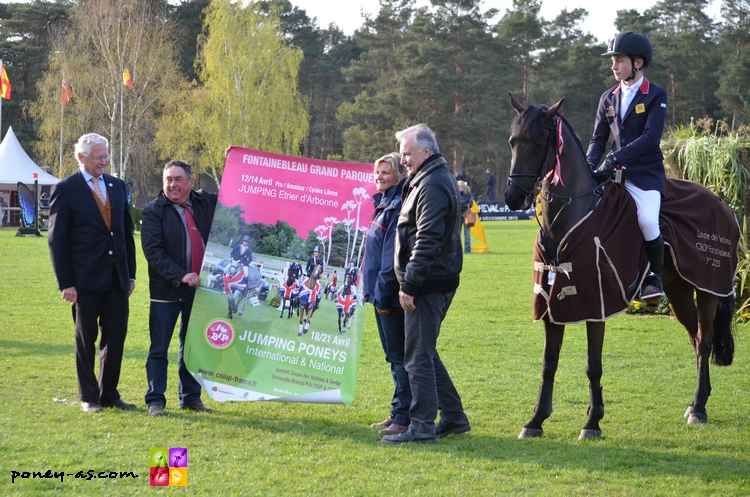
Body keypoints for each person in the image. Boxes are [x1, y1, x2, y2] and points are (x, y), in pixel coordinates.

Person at [382, 124, 470, 444]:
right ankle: (454, 417)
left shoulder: (431, 183)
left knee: (417, 356)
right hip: (433, 280)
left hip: (428, 283)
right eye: (402, 153)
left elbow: (428, 238)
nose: (402, 159)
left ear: (426, 152)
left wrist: (411, 284)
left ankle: (421, 425)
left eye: (406, 153)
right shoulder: (426, 177)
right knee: (425, 352)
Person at [48, 133, 137, 413]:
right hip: (83, 282)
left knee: (116, 337)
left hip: (116, 279)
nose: (103, 161)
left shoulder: (118, 186)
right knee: (86, 341)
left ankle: (109, 393)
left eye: (105, 156)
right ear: (80, 158)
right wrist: (66, 283)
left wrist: (130, 274)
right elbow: (56, 241)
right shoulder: (65, 189)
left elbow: (125, 233)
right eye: (98, 157)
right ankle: (88, 397)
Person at [587, 31, 667, 299]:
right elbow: (598, 140)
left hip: (645, 174)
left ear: (638, 63)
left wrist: (615, 158)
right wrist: (589, 166)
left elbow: (651, 138)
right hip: (614, 174)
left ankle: (655, 277)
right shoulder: (607, 98)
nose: (613, 66)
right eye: (613, 61)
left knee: (646, 220)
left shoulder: (655, 95)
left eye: (619, 60)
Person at [141, 160, 217, 416]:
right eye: (168, 180)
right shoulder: (153, 211)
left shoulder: (204, 203)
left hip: (201, 290)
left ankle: (191, 397)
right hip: (166, 290)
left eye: (178, 179)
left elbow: (237, 190)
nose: (172, 185)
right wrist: (181, 275)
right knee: (159, 348)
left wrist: (235, 161)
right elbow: (153, 252)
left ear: (191, 182)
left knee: (193, 345)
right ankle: (155, 400)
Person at [364, 152, 412, 436]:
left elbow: (389, 258)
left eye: (385, 172)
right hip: (378, 293)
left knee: (398, 356)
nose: (379, 177)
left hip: (389, 296)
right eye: (377, 172)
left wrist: (382, 296)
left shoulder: (397, 205)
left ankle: (403, 417)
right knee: (392, 356)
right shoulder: (383, 203)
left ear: (399, 175)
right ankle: (396, 410)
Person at [458, 181, 473, 254]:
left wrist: (461, 204)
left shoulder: (468, 194)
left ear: (464, 187)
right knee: (458, 234)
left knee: (467, 234)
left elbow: (470, 203)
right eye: (459, 187)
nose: (460, 188)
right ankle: (458, 249)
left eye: (461, 186)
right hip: (458, 216)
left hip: (466, 215)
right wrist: (465, 203)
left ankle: (467, 250)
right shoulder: (455, 194)